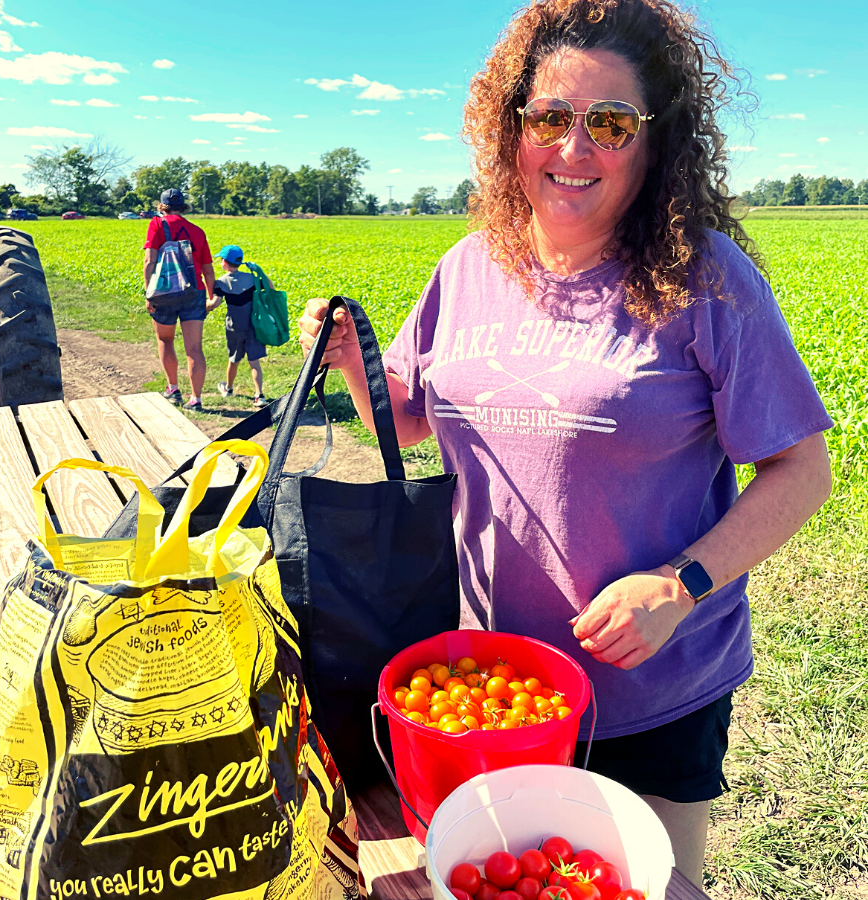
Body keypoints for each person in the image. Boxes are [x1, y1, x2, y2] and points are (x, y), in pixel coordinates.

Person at [298, 0, 833, 887]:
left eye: (610, 123)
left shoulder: (704, 278)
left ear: (655, 141)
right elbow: (409, 423)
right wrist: (358, 366)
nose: (574, 149)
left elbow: (801, 471)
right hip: (487, 688)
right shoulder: (466, 268)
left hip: (652, 689)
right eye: (549, 117)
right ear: (513, 128)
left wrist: (681, 585)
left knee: (654, 885)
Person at [143, 188, 214, 411]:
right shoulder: (198, 231)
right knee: (194, 349)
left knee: (165, 340)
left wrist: (149, 293)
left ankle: (173, 389)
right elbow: (208, 269)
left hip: (164, 292)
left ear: (162, 206)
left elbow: (149, 261)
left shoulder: (157, 224)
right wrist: (212, 297)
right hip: (194, 291)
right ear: (183, 206)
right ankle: (196, 399)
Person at [206, 244, 270, 409]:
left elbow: (214, 303)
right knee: (254, 362)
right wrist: (259, 272)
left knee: (233, 360)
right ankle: (259, 395)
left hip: (234, 327)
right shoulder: (251, 279)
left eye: (221, 259)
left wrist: (202, 306)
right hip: (253, 326)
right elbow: (270, 288)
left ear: (225, 262)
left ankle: (228, 388)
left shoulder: (221, 282)